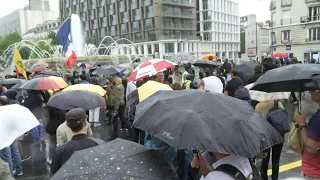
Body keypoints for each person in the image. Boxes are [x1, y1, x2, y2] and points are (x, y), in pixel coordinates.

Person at [51, 108, 104, 175]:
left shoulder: (60, 151)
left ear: (67, 125)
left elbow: (54, 175)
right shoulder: (99, 144)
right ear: (85, 123)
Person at [255, 100, 285, 180]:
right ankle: (275, 178)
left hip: (266, 136)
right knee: (276, 159)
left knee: (265, 159)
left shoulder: (259, 106)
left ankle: (264, 177)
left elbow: (256, 122)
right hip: (279, 135)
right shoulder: (278, 104)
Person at [295, 89, 320, 179]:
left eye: (313, 89)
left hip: (314, 171)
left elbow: (312, 148)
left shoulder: (318, 119)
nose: (310, 92)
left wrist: (302, 125)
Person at [0, 95, 23, 177]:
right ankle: (19, 170)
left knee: (7, 156)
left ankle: (9, 174)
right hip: (12, 134)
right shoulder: (12, 110)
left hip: (4, 136)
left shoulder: (1, 111)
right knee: (15, 152)